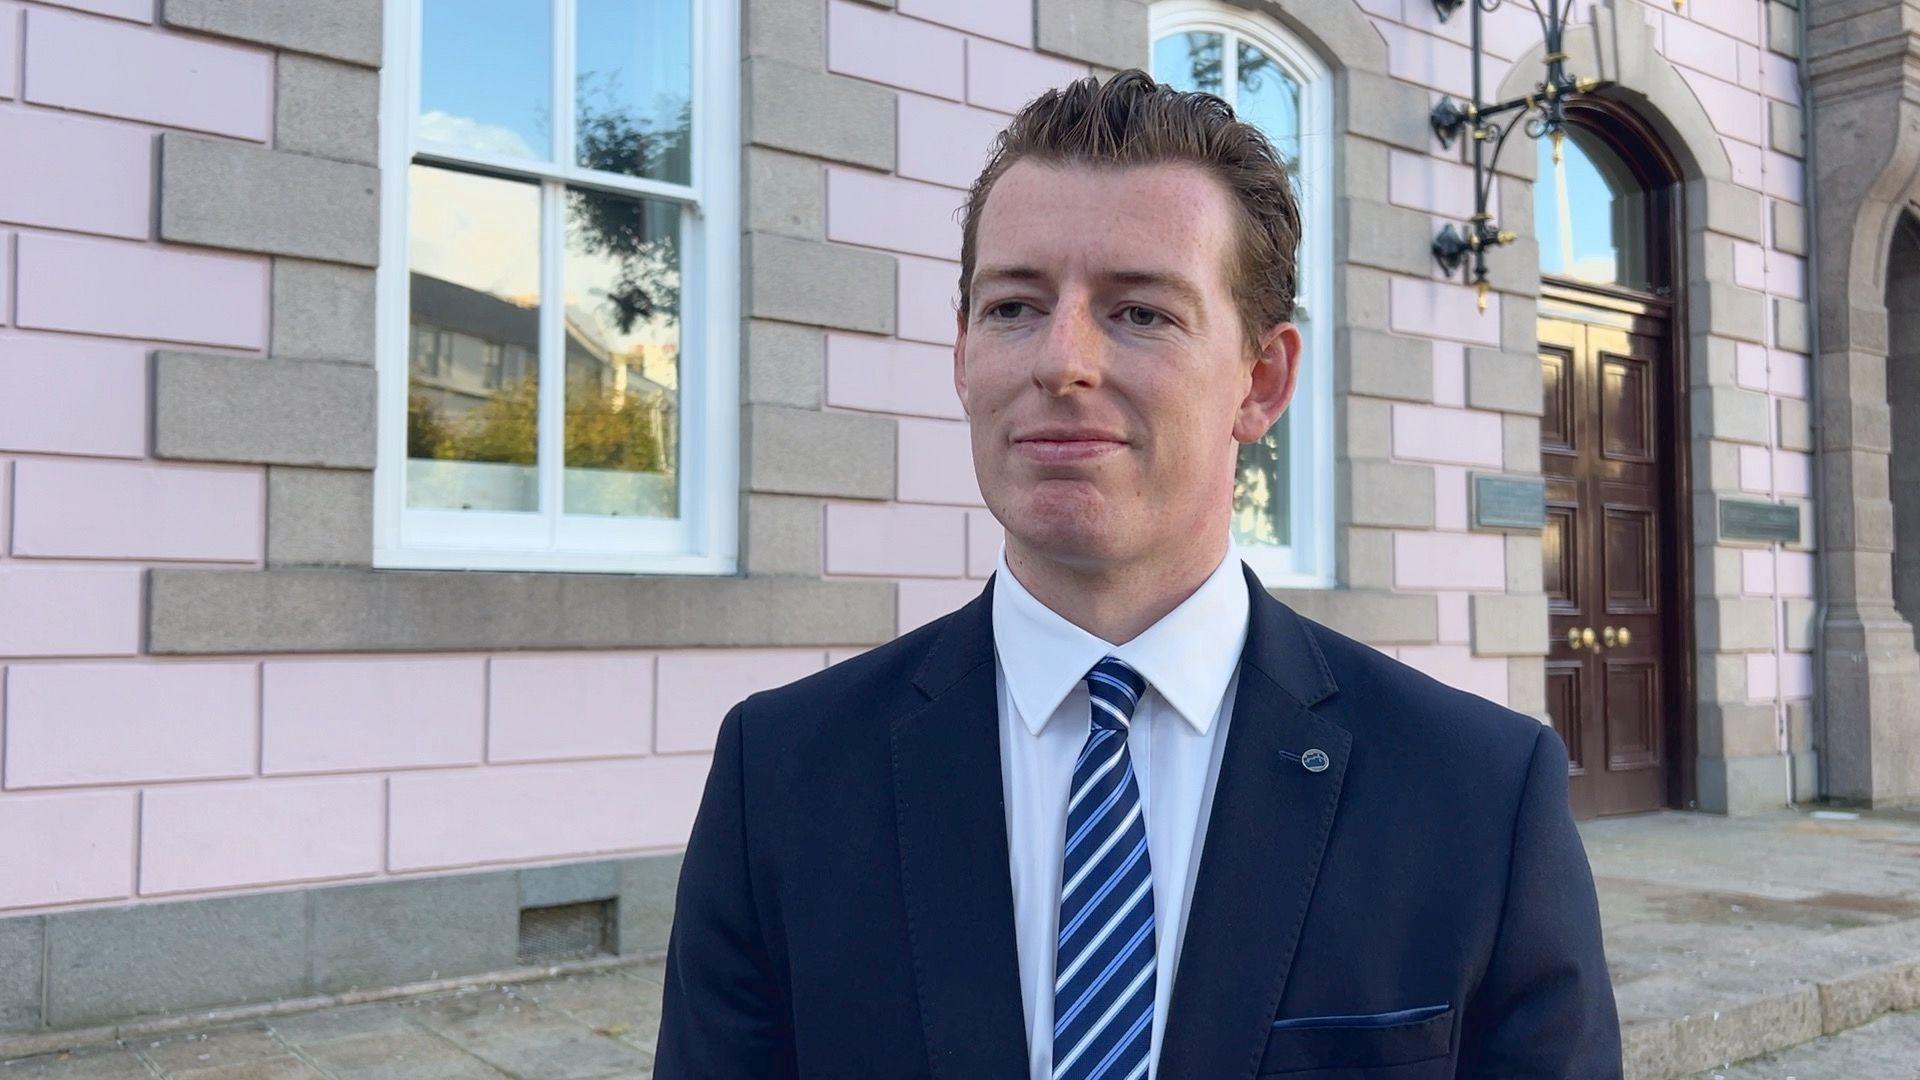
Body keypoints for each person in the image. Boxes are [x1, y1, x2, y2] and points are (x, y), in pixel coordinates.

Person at [654, 69, 1621, 1079]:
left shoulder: (1477, 794)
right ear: (962, 357)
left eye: (1140, 314)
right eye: (1015, 306)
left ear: (1263, 379)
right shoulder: (783, 775)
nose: (1060, 361)